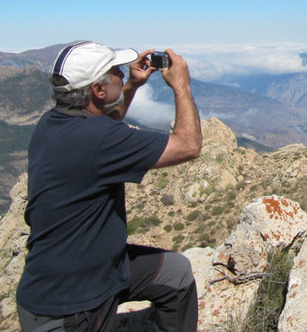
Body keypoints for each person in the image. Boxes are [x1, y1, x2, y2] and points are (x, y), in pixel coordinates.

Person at [16, 41, 203, 332]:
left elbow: (104, 122)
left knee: (175, 272)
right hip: (71, 305)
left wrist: (131, 86)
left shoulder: (54, 123)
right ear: (98, 90)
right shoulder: (97, 139)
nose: (121, 73)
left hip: (99, 268)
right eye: (116, 71)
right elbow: (188, 146)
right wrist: (182, 86)